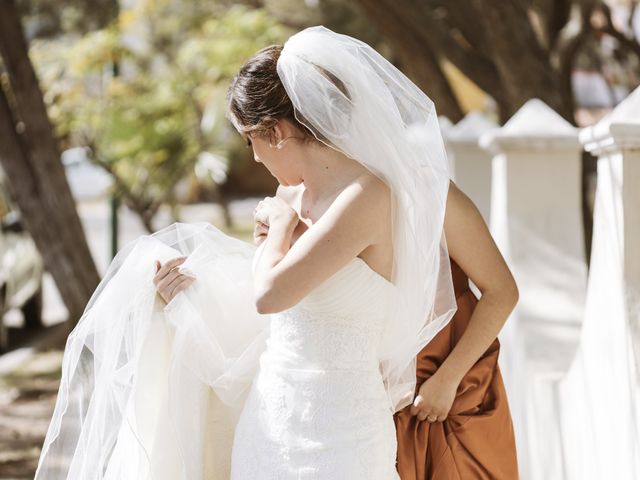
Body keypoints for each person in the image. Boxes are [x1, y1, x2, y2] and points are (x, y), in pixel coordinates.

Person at [35, 26, 518, 479]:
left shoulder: (381, 195)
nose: (253, 157)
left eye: (251, 140)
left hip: (351, 425)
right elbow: (273, 314)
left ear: (279, 131)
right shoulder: (289, 197)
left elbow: (272, 292)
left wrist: (279, 232)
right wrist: (184, 294)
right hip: (271, 420)